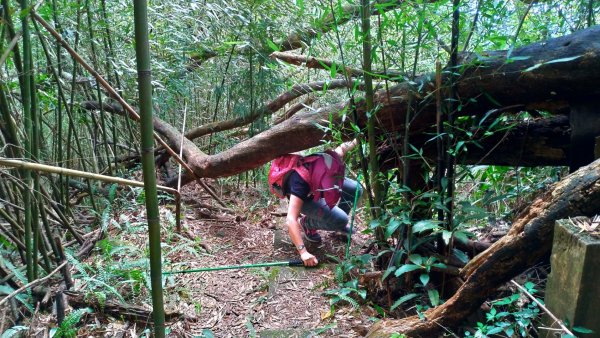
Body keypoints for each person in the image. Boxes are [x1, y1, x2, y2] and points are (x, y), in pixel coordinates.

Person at [283, 139, 362, 267]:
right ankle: (307, 224)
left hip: (317, 187)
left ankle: (338, 228)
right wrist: (303, 253)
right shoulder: (300, 182)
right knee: (341, 220)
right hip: (306, 198)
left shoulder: (325, 161)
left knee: (355, 188)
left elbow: (341, 148)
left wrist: (357, 139)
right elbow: (290, 219)